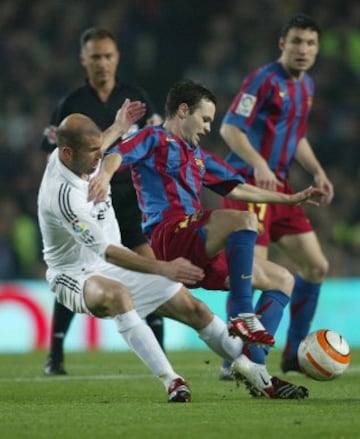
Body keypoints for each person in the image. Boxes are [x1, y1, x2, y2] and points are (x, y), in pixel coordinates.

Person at [37, 103, 299, 403]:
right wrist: (162, 267)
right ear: (67, 154)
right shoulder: (63, 196)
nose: (101, 156)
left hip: (115, 262)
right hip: (74, 274)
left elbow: (101, 146)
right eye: (93, 151)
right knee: (117, 295)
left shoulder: (80, 157)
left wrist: (119, 127)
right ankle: (172, 380)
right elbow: (106, 252)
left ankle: (259, 378)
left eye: (100, 148)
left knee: (196, 309)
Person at [94, 79, 323, 398]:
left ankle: (257, 373)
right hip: (169, 235)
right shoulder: (155, 138)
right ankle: (243, 316)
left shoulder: (199, 155)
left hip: (199, 244)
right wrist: (104, 176)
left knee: (282, 279)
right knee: (244, 219)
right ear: (183, 111)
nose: (207, 127)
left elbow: (236, 186)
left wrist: (289, 199)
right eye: (205, 119)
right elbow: (116, 155)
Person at [41, 27, 164, 376]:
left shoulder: (135, 96)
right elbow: (53, 159)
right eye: (95, 56)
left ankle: (160, 350)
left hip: (131, 199)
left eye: (108, 55)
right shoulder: (71, 104)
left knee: (148, 265)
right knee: (78, 271)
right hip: (90, 199)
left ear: (117, 58)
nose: (102, 63)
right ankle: (56, 354)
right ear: (83, 60)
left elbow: (155, 142)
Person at [220, 14, 333, 374]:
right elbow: (230, 128)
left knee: (316, 266)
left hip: (282, 188)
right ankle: (235, 355)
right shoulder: (263, 80)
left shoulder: (307, 86)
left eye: (310, 43)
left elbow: (295, 135)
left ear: (317, 49)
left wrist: (316, 171)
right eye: (297, 42)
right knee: (255, 274)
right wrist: (259, 164)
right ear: (282, 44)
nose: (303, 50)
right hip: (250, 185)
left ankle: (294, 354)